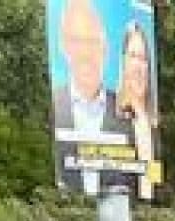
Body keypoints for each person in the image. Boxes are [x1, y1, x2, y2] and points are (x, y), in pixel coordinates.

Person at [51, 0, 112, 137]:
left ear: (105, 49)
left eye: (92, 41)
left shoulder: (124, 110)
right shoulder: (52, 103)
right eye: (77, 41)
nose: (85, 52)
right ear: (64, 46)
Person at [112, 19, 157, 166]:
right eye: (133, 56)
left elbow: (154, 176)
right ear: (123, 60)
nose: (138, 66)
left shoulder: (154, 122)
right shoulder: (110, 114)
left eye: (143, 58)